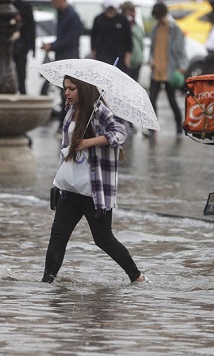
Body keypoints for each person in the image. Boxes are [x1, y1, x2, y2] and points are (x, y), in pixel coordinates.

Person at [42, 75, 147, 284]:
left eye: (72, 88)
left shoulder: (99, 112)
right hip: (69, 187)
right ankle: (47, 283)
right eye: (65, 88)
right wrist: (57, 183)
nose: (67, 93)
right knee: (57, 238)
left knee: (103, 239)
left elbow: (120, 133)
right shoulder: (70, 111)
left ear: (83, 89)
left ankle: (136, 277)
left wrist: (90, 142)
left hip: (94, 190)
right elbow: (65, 152)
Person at [42, 0, 83, 127]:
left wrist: (52, 46)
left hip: (69, 59)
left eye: (54, 0)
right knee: (64, 93)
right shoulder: (61, 14)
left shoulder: (72, 16)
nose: (52, 3)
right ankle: (64, 123)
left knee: (69, 93)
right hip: (62, 58)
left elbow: (70, 40)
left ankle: (67, 123)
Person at [147, 2, 187, 135]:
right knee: (151, 100)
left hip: (170, 70)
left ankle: (179, 128)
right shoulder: (155, 29)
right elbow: (152, 48)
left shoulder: (174, 29)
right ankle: (152, 129)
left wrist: (182, 66)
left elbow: (181, 49)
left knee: (172, 100)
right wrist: (151, 59)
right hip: (156, 70)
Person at [90, 0, 132, 73]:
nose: (110, 11)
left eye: (112, 9)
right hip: (101, 56)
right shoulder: (98, 20)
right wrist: (94, 55)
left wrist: (127, 58)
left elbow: (128, 41)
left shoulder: (122, 20)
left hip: (119, 58)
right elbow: (93, 38)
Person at [12, 0, 36, 94]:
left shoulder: (25, 6)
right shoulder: (8, 4)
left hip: (22, 46)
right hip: (10, 46)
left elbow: (31, 27)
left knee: (21, 74)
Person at [120, 1, 144, 83]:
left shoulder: (137, 26)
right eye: (129, 11)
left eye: (133, 11)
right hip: (124, 63)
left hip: (136, 63)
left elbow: (141, 43)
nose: (132, 14)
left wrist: (141, 58)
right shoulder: (121, 25)